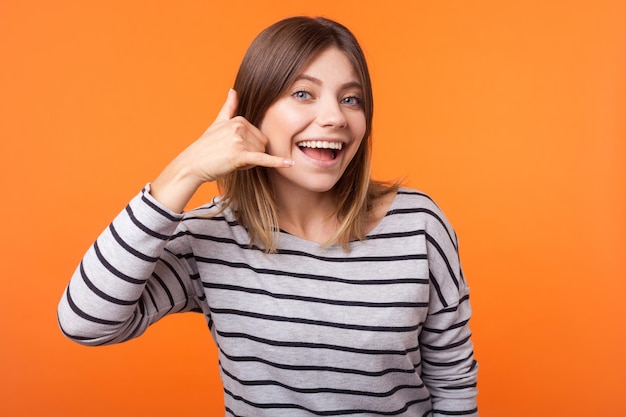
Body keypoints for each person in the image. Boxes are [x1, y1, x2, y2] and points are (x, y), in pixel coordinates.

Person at [58, 16, 478, 417]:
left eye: (351, 99)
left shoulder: (418, 224)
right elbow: (85, 321)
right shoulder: (211, 236)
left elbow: (452, 380)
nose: (335, 117)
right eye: (303, 93)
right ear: (254, 114)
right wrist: (183, 172)